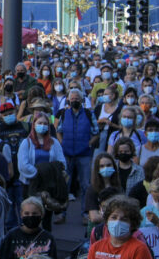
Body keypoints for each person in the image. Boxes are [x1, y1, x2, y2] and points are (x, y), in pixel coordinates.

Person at [56, 88, 97, 224]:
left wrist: (88, 144)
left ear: (82, 100)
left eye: (77, 98)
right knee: (64, 185)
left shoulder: (89, 114)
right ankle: (62, 213)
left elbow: (96, 132)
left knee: (85, 184)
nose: (74, 100)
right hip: (67, 154)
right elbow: (59, 131)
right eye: (72, 98)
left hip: (84, 154)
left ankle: (85, 213)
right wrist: (62, 144)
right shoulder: (64, 114)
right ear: (68, 100)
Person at [85, 153, 122, 232]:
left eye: (109, 165)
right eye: (102, 166)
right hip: (98, 231)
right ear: (97, 169)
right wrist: (116, 217)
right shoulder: (92, 189)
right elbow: (94, 217)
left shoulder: (119, 187)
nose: (106, 168)